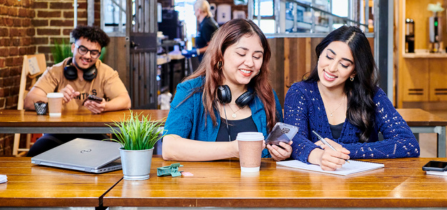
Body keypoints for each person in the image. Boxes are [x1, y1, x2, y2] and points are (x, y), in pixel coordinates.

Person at [284, 26, 419, 171]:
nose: (332, 68)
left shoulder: (372, 95)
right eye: (329, 56)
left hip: (363, 185)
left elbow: (408, 144)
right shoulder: (299, 92)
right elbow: (294, 139)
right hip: (313, 187)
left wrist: (343, 150)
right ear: (320, 53)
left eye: (344, 64)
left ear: (354, 71)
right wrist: (317, 155)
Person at [163, 19, 292, 161]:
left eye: (257, 57)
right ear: (220, 55)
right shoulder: (190, 91)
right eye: (241, 54)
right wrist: (233, 149)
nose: (250, 63)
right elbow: (170, 148)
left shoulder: (267, 95)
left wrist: (283, 154)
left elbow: (278, 148)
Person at [24, 25, 131, 156]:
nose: (87, 56)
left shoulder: (106, 73)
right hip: (59, 133)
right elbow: (29, 101)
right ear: (73, 47)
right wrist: (56, 98)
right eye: (83, 49)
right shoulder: (55, 71)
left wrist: (105, 106)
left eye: (94, 52)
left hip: (94, 133)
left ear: (99, 53)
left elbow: (125, 101)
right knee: (34, 154)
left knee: (118, 156)